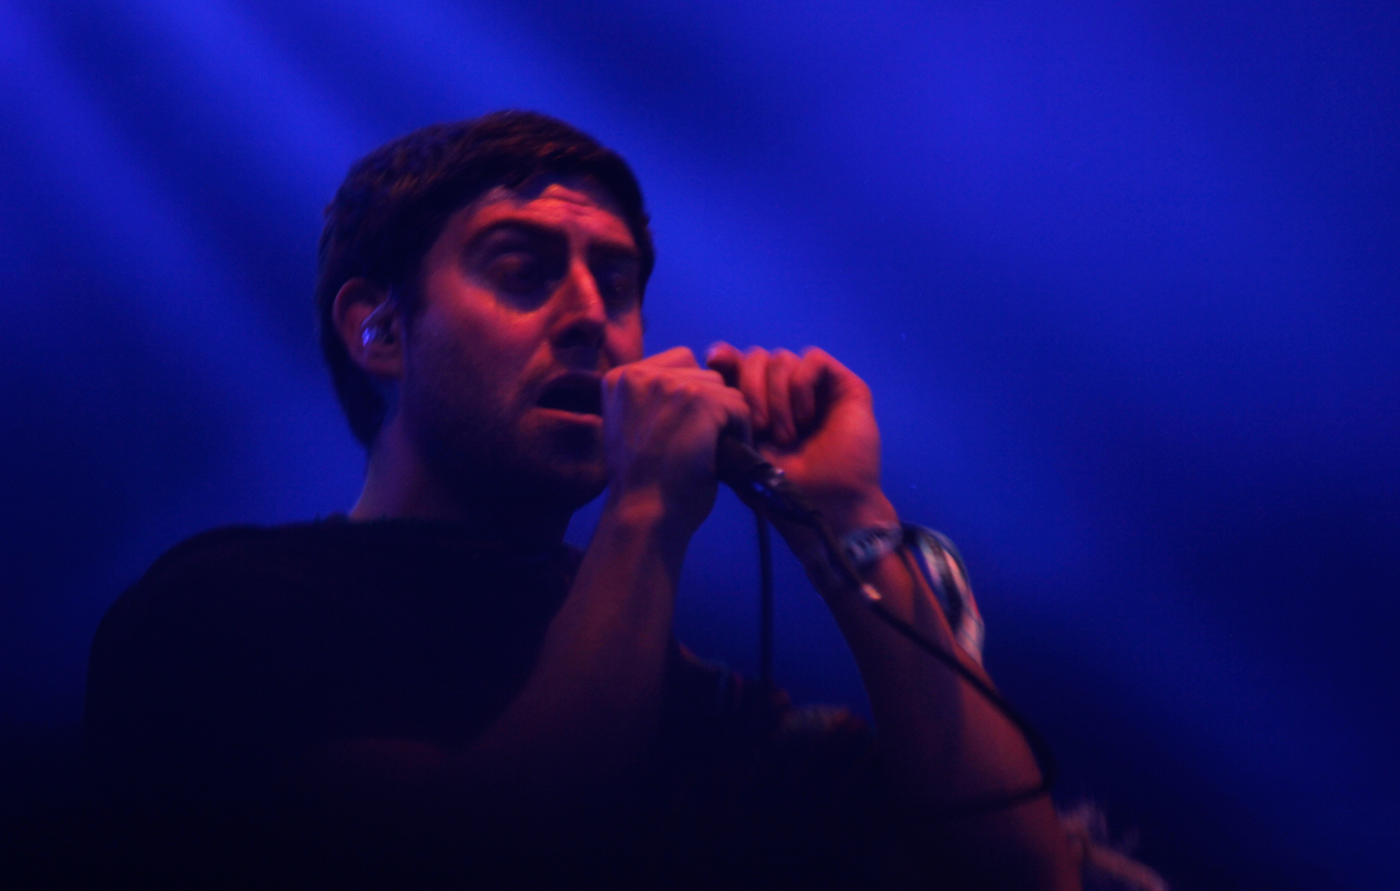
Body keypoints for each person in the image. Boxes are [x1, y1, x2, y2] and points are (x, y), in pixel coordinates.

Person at [84, 111, 1117, 889]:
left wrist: (851, 522)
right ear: (381, 331)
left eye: (617, 286)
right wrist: (647, 509)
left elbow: (1020, 874)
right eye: (521, 269)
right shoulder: (229, 608)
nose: (590, 315)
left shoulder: (684, 690)